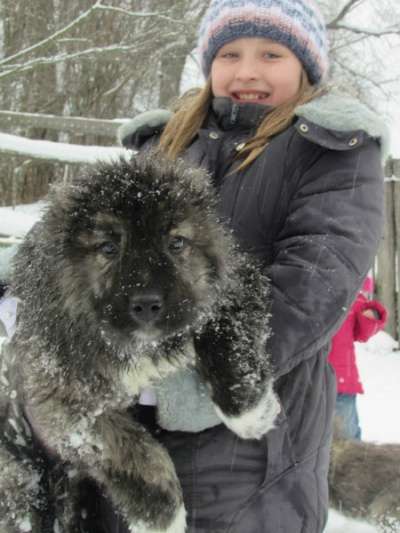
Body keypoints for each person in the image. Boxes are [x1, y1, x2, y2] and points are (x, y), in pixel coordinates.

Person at [0, 0, 387, 531]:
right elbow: (87, 242)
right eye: (229, 53)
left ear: (306, 64)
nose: (247, 71)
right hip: (136, 417)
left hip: (250, 438)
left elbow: (313, 283)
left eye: (271, 53)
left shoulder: (330, 149)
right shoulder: (167, 142)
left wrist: (209, 376)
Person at [328, 276, 387, 440]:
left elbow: (363, 331)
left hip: (341, 382)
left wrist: (370, 314)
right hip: (310, 381)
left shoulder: (353, 299)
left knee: (347, 435)